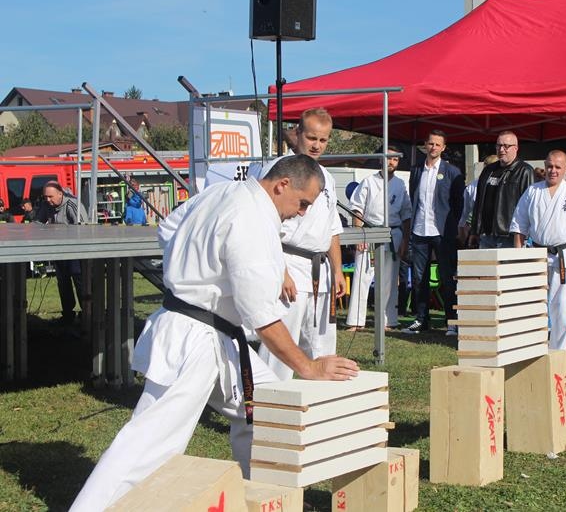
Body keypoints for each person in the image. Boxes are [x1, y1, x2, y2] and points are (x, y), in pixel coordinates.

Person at [69, 155, 360, 511]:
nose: (301, 213)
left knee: (269, 410)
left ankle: (264, 498)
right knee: (149, 442)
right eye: (302, 203)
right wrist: (308, 367)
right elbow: (262, 317)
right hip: (194, 339)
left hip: (216, 334)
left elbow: (169, 229)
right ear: (282, 185)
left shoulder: (222, 193)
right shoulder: (252, 218)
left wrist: (195, 267)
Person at [256, 108, 347, 380]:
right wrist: (281, 272)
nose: (317, 145)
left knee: (322, 346)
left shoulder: (327, 177)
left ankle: (321, 400)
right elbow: (265, 224)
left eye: (323, 140)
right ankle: (270, 396)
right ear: (297, 134)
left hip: (320, 270)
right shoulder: (280, 170)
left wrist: (338, 270)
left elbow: (332, 229)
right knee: (281, 345)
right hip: (288, 263)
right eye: (311, 138)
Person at [510, 150, 566, 350]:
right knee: (533, 301)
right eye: (549, 166)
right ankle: (533, 344)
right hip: (536, 253)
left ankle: (558, 348)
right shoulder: (533, 191)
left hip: (564, 253)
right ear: (544, 166)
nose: (553, 170)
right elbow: (519, 225)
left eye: (558, 167)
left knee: (562, 303)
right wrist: (518, 255)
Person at [402, 130, 464, 336]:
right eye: (430, 144)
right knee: (419, 278)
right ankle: (421, 319)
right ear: (425, 145)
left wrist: (454, 227)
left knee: (447, 277)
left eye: (438, 144)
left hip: (442, 232)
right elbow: (414, 198)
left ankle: (452, 321)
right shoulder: (416, 170)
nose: (433, 147)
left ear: (443, 148)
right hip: (420, 230)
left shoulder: (452, 171)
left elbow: (459, 203)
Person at [345, 147, 412, 330]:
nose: (391, 162)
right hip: (369, 232)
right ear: (380, 159)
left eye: (395, 159)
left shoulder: (400, 184)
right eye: (388, 158)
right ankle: (356, 320)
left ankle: (388, 320)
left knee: (389, 279)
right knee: (362, 276)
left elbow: (406, 215)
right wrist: (359, 235)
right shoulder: (368, 181)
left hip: (392, 233)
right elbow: (357, 210)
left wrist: (405, 240)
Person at [469, 132, 535, 249]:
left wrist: (522, 234)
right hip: (486, 234)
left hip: (509, 235)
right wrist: (474, 230)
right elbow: (478, 202)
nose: (501, 149)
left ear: (516, 148)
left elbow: (529, 205)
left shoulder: (524, 171)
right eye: (499, 145)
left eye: (506, 146)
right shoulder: (488, 170)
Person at [36, 181, 89, 325]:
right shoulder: (46, 205)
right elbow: (37, 224)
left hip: (75, 252)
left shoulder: (73, 205)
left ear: (60, 194)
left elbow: (83, 229)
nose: (48, 200)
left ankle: (87, 314)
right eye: (45, 197)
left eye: (50, 196)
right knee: (63, 282)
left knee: (80, 282)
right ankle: (68, 315)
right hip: (58, 251)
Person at [458, 155, 498, 245]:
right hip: (480, 231)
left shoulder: (473, 186)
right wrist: (462, 230)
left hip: (496, 231)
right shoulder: (473, 186)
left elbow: (464, 213)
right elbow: (464, 212)